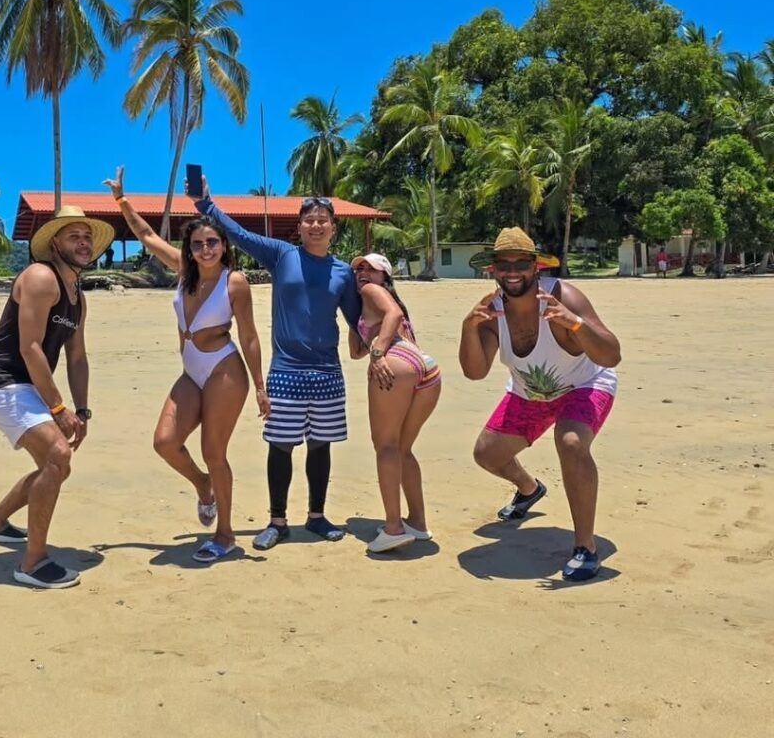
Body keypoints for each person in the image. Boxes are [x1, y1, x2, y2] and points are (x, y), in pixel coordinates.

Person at [104, 168, 266, 563]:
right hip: (191, 370)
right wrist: (121, 199)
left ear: (223, 246)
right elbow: (145, 236)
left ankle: (225, 535)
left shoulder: (235, 282)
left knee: (214, 450)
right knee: (165, 442)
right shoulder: (182, 271)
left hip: (224, 369)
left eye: (212, 243)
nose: (205, 249)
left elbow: (248, 336)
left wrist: (260, 386)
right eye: (198, 244)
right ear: (190, 248)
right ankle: (204, 486)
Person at [192, 176, 362, 550]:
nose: (315, 225)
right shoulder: (282, 255)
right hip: (286, 370)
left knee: (321, 446)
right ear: (298, 227)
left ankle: (316, 517)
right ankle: (277, 521)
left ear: (334, 228)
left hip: (328, 372)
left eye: (323, 220)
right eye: (309, 220)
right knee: (280, 446)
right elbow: (236, 234)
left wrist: (384, 346)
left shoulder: (343, 272)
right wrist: (206, 205)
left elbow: (359, 320)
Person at [458, 227, 621, 582]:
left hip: (584, 385)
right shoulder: (491, 313)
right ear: (493, 270)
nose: (512, 271)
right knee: (487, 454)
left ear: (537, 268)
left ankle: (585, 547)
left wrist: (575, 324)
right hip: (530, 392)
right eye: (504, 264)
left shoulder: (564, 297)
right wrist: (468, 329)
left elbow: (611, 354)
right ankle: (530, 489)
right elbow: (474, 372)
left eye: (521, 263)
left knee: (572, 443)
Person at [0, 206, 114, 589]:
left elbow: (77, 356)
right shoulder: (39, 276)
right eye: (73, 236)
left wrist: (81, 410)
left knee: (56, 465)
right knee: (57, 455)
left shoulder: (77, 296)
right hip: (1, 380)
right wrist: (58, 408)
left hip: (30, 385)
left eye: (87, 237)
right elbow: (31, 347)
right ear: (54, 244)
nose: (83, 243)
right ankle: (32, 564)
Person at [348, 253, 441, 553]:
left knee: (386, 446)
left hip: (396, 362)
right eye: (358, 268)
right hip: (424, 365)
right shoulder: (372, 299)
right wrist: (355, 321)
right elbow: (354, 351)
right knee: (402, 449)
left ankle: (393, 527)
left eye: (370, 269)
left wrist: (377, 352)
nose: (362, 273)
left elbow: (393, 317)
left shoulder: (373, 292)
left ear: (385, 277)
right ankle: (417, 521)